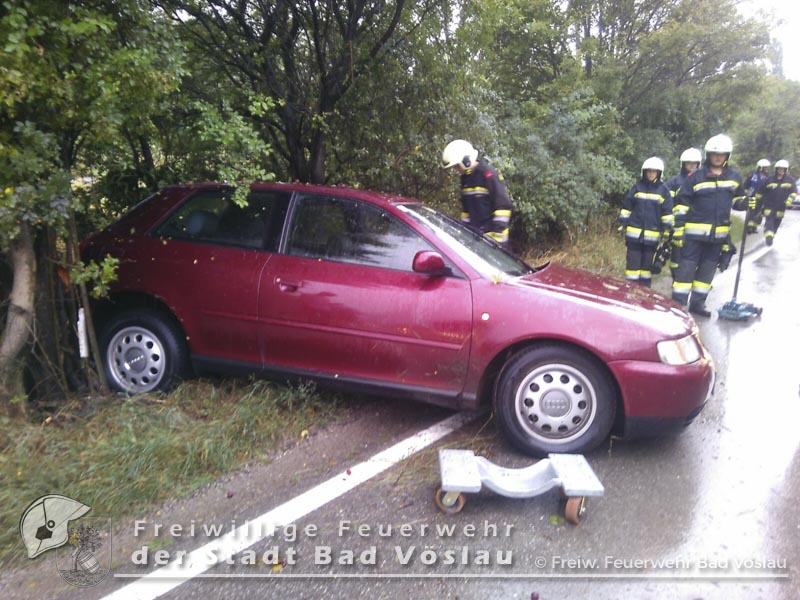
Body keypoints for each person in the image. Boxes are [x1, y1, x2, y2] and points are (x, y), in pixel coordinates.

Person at [672, 134, 746, 317]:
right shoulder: (695, 177)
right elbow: (681, 205)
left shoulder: (734, 177)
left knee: (707, 273)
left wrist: (746, 203)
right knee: (685, 272)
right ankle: (678, 305)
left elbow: (738, 201)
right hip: (693, 237)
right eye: (715, 154)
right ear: (708, 155)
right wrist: (679, 230)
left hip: (717, 237)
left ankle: (697, 304)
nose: (718, 157)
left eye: (722, 154)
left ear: (727, 155)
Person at [441, 139, 513, 248]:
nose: (456, 169)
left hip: (494, 241)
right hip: (476, 239)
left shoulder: (488, 175)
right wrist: (465, 233)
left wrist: (496, 241)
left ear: (466, 160)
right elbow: (466, 211)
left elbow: (503, 207)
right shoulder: (466, 179)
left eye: (457, 166)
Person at [619, 157, 673, 287]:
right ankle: (629, 292)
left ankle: (644, 294)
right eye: (649, 171)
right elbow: (627, 208)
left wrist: (667, 230)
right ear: (644, 172)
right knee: (632, 269)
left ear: (659, 173)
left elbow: (667, 213)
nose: (651, 174)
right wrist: (623, 224)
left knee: (646, 271)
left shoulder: (664, 191)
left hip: (652, 239)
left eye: (654, 171)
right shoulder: (636, 188)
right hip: (633, 237)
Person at [665, 148, 702, 277]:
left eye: (694, 163)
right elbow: (667, 203)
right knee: (676, 258)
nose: (692, 166)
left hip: (696, 226)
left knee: (695, 257)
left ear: (698, 164)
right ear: (683, 164)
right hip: (678, 225)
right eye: (689, 163)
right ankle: (676, 279)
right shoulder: (674, 182)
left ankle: (692, 279)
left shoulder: (703, 181)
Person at [753, 159, 797, 246]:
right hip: (769, 206)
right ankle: (768, 238)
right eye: (779, 169)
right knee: (769, 221)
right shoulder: (769, 179)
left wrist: (789, 200)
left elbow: (793, 192)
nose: (781, 170)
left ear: (785, 170)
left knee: (776, 223)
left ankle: (771, 235)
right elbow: (760, 192)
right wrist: (757, 203)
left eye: (782, 169)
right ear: (776, 169)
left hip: (781, 207)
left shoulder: (790, 180)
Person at [744, 158, 771, 233]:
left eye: (767, 167)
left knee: (760, 214)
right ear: (760, 167)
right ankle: (749, 227)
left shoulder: (768, 177)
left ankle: (754, 227)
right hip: (752, 198)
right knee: (751, 212)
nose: (767, 169)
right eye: (765, 167)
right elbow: (746, 185)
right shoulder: (752, 176)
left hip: (763, 200)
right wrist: (747, 195)